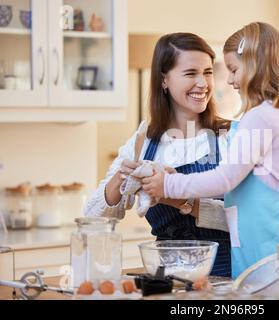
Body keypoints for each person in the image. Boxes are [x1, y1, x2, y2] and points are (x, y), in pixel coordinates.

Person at [143, 22, 279, 279]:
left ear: (255, 65)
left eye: (233, 69)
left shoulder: (260, 118)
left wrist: (169, 184)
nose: (230, 79)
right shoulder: (278, 115)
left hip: (270, 232)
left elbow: (224, 179)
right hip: (266, 229)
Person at [84, 32, 232, 277]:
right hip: (167, 282)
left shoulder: (229, 137)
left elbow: (246, 220)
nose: (203, 84)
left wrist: (177, 197)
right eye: (190, 73)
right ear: (164, 80)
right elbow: (93, 216)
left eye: (207, 72)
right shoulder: (144, 140)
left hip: (224, 281)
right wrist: (126, 175)